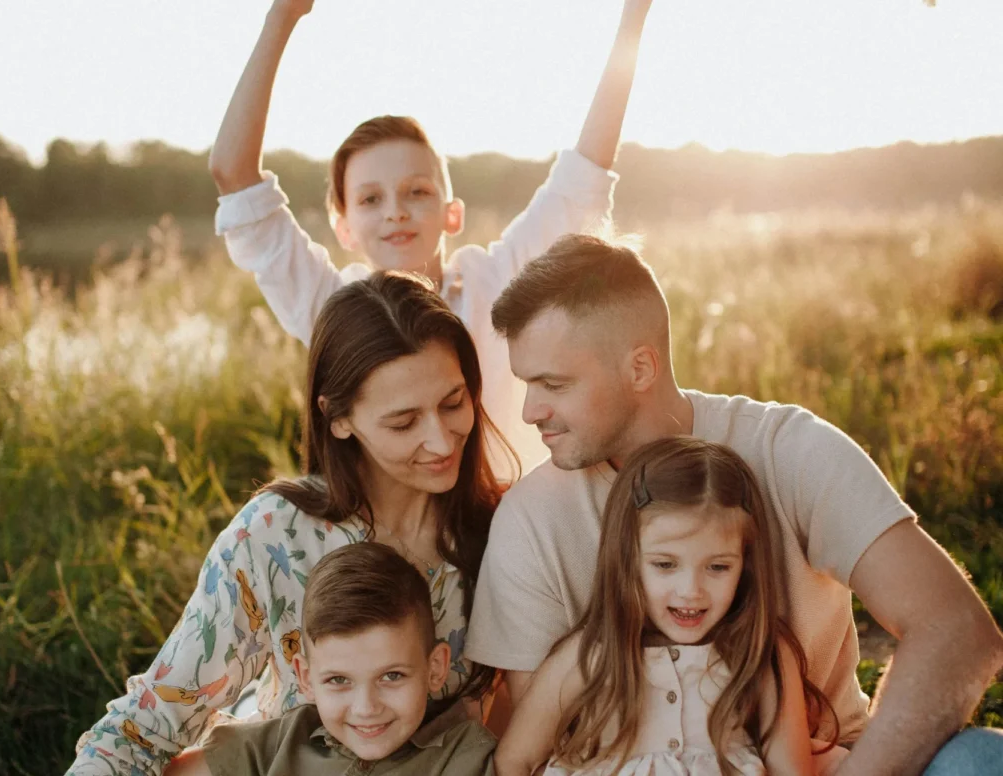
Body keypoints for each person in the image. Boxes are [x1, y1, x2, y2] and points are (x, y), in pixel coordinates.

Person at [464, 235, 1003, 775]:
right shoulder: (531, 519)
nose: (530, 411)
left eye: (553, 384)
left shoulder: (790, 449)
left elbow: (956, 629)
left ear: (641, 368)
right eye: (526, 385)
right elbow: (534, 743)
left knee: (982, 759)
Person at [67, 272, 510, 776]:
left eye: (453, 403)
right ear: (338, 418)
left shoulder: (506, 533)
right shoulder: (272, 536)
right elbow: (144, 730)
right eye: (404, 422)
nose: (441, 440)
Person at [207, 0, 656, 472]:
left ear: (451, 214)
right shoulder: (333, 305)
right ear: (344, 228)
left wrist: (634, 15)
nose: (396, 213)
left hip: (515, 525)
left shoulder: (500, 280)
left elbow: (586, 168)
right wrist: (282, 15)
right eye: (370, 200)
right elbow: (233, 174)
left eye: (416, 192)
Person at [494, 437, 847, 776]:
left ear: (746, 564)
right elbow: (515, 761)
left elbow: (791, 770)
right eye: (665, 565)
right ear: (627, 560)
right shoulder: (590, 657)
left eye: (718, 567)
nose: (691, 591)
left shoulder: (758, 654)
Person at [165, 543, 496, 776]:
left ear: (435, 668)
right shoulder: (276, 744)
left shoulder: (467, 757)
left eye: (392, 676)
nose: (366, 708)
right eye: (339, 680)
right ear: (307, 679)